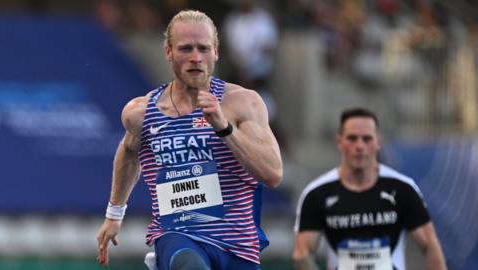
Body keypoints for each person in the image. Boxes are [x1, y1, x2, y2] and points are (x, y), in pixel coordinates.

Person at [96, 10, 283, 270]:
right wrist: (114, 214)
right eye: (186, 49)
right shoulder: (141, 112)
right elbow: (129, 152)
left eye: (203, 48)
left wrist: (224, 127)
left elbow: (273, 173)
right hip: (178, 236)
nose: (196, 58)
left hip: (236, 246)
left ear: (216, 51)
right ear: (168, 52)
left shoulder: (242, 103)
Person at [292, 108, 447, 270]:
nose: (359, 146)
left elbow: (429, 244)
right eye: (352, 138)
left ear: (378, 142)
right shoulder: (317, 193)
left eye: (367, 139)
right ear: (339, 142)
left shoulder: (402, 189)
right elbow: (302, 253)